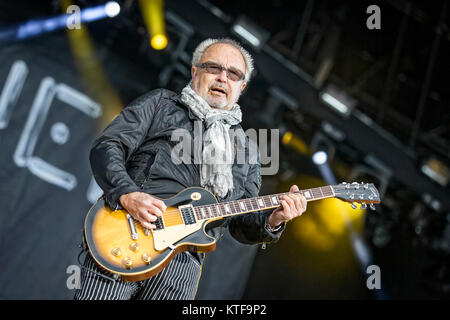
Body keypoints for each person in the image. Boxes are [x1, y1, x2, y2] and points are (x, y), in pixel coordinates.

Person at [74, 38, 307, 300]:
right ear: (194, 71)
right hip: (130, 232)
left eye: (233, 74)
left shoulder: (247, 151)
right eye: (213, 68)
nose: (222, 78)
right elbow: (108, 146)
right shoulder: (162, 104)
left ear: (242, 87)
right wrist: (127, 194)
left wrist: (275, 220)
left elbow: (242, 225)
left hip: (183, 266)